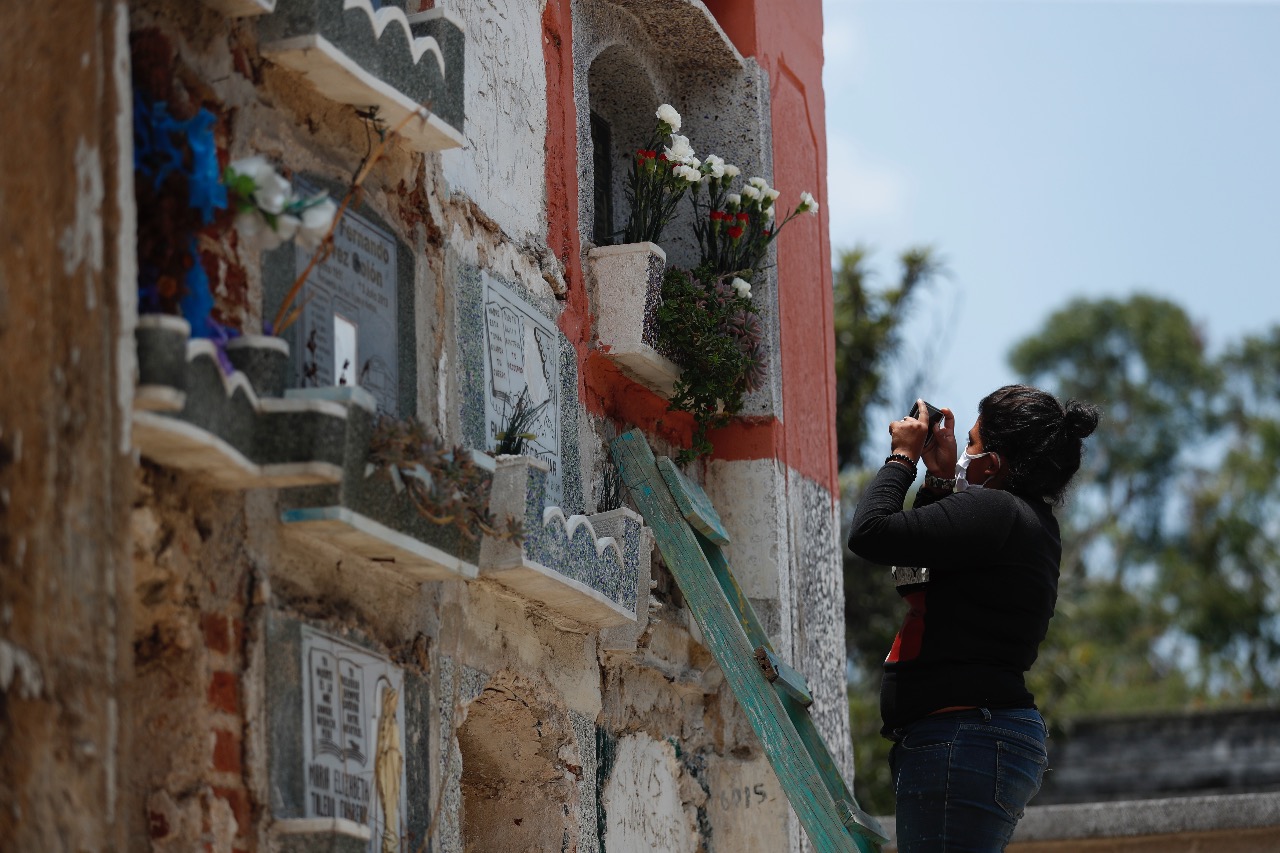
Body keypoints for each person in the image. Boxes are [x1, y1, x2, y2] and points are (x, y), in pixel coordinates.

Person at [847, 384, 1100, 852]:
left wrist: (902, 458)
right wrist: (938, 481)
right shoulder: (1025, 521)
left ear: (993, 463)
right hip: (975, 736)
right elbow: (915, 581)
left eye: (971, 443)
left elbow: (870, 532)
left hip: (962, 737)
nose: (964, 453)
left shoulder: (995, 510)